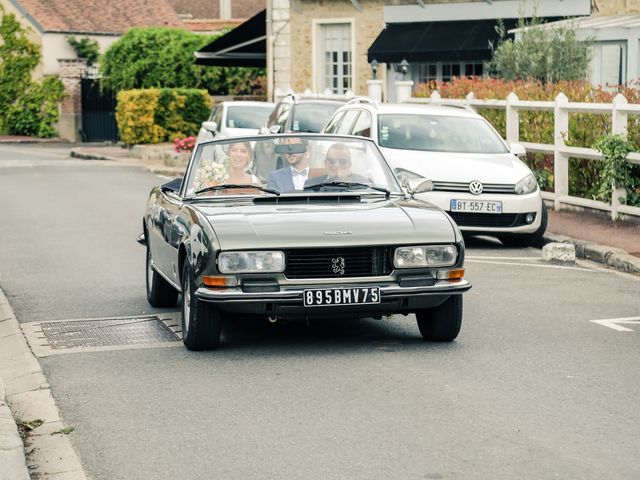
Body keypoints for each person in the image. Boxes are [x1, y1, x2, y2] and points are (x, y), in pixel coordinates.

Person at [304, 142, 368, 189]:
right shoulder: (310, 184)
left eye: (342, 161)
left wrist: (345, 181)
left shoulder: (363, 183)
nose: (337, 165)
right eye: (332, 161)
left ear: (349, 165)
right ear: (325, 163)